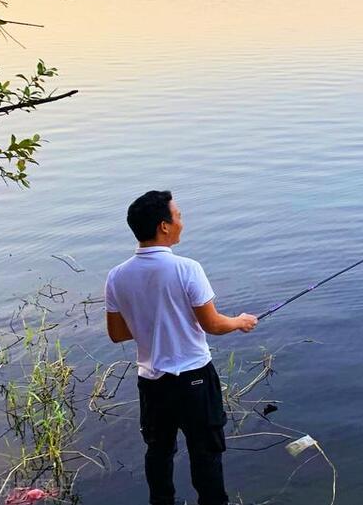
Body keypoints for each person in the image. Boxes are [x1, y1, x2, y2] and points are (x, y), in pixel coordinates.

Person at [105, 190, 258, 505]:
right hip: (194, 378)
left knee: (158, 451)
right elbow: (213, 325)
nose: (182, 222)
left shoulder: (116, 276)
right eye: (178, 216)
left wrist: (151, 324)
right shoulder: (187, 268)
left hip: (151, 383)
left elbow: (117, 334)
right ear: (164, 226)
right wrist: (240, 321)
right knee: (206, 452)